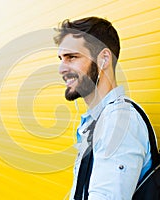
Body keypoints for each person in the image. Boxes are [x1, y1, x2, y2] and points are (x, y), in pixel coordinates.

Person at [54, 17, 153, 199]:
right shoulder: (97, 120)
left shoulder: (119, 122)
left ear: (104, 59)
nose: (61, 68)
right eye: (61, 58)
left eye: (72, 57)